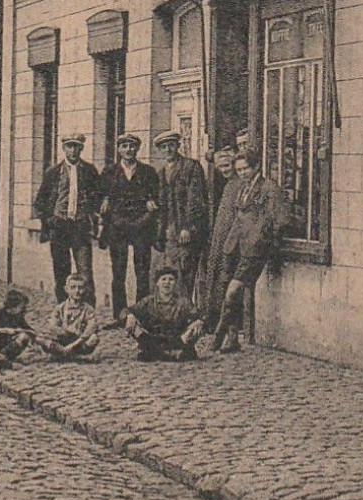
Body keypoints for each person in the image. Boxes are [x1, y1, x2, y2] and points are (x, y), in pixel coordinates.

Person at [206, 151, 291, 353]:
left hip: (254, 249)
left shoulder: (269, 189)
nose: (243, 173)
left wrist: (264, 238)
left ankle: (219, 333)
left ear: (256, 167)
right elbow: (238, 215)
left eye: (246, 168)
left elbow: (282, 219)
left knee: (233, 291)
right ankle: (233, 337)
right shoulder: (242, 188)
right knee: (228, 289)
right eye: (239, 170)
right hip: (235, 245)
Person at [98, 133, 159, 321]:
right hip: (118, 227)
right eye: (124, 146)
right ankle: (120, 314)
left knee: (142, 271)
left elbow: (157, 197)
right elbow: (100, 198)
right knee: (118, 272)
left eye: (132, 146)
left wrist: (151, 204)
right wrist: (105, 202)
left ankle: (142, 313)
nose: (128, 150)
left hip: (141, 226)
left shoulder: (148, 172)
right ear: (118, 149)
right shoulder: (109, 172)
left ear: (137, 149)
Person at [33, 134, 100, 304]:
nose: (73, 150)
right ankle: (64, 310)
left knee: (85, 272)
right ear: (63, 148)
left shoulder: (90, 171)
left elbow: (98, 197)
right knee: (62, 272)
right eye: (69, 146)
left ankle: (88, 312)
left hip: (81, 227)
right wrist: (50, 220)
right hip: (59, 227)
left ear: (81, 148)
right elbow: (40, 202)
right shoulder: (53, 172)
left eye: (76, 146)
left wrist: (92, 213)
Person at [154, 131, 210, 299]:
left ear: (178, 146)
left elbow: (196, 200)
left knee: (187, 273)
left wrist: (188, 227)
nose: (168, 149)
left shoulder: (191, 167)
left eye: (171, 145)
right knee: (172, 275)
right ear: (160, 151)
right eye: (163, 147)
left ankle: (186, 314)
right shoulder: (161, 173)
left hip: (187, 232)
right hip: (169, 232)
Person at [122, 268, 204, 361]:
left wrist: (197, 322)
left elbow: (199, 315)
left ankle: (159, 353)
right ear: (157, 283)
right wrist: (129, 315)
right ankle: (165, 353)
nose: (167, 282)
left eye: (171, 279)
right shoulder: (148, 301)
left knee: (198, 325)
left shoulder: (183, 302)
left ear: (176, 283)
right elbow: (125, 311)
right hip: (152, 339)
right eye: (163, 279)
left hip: (178, 340)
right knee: (131, 322)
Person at [41, 274, 100, 361]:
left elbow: (90, 329)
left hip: (79, 342)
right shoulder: (60, 308)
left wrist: (73, 344)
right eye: (73, 287)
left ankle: (64, 354)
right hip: (63, 339)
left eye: (80, 288)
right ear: (66, 289)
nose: (77, 291)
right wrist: (64, 333)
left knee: (94, 338)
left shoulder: (89, 310)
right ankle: (73, 356)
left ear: (85, 289)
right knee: (43, 338)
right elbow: (53, 326)